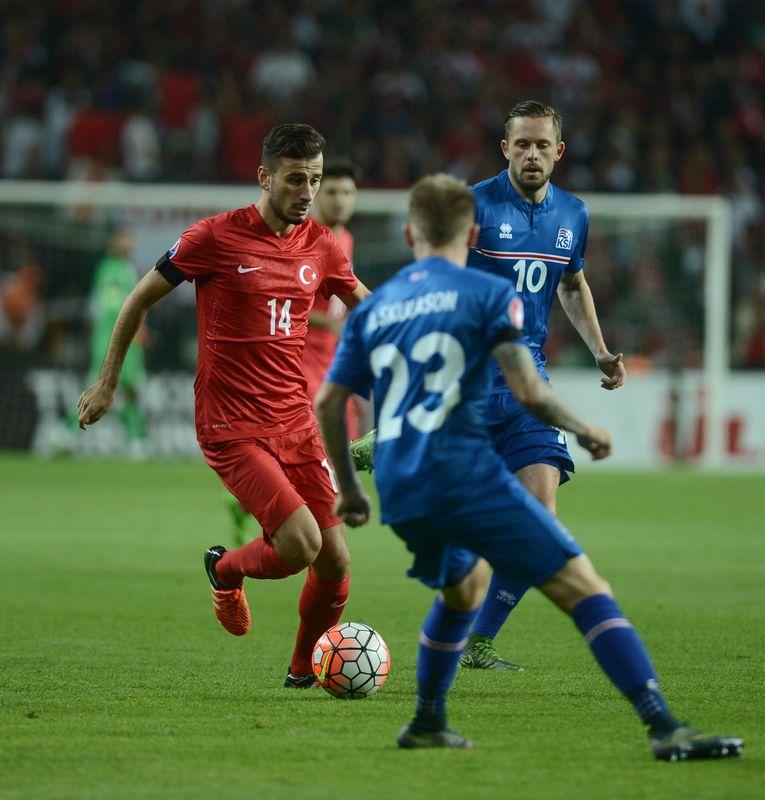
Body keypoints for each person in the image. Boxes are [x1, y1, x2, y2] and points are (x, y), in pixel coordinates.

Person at [315, 173, 742, 759]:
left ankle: (427, 722)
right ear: (471, 232)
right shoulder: (487, 295)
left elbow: (329, 402)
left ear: (410, 231)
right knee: (582, 584)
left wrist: (349, 488)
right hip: (463, 472)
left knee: (464, 590)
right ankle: (665, 727)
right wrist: (587, 429)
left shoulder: (375, 306)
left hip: (403, 485)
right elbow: (531, 393)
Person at [78, 123, 370, 688]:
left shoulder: (320, 244)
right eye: (294, 180)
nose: (307, 192)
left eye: (313, 179)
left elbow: (368, 307)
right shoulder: (214, 238)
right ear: (264, 177)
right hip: (231, 426)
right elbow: (139, 297)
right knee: (302, 544)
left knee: (336, 565)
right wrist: (108, 381)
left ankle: (301, 674)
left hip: (296, 420)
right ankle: (225, 569)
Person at [458, 100, 627, 669]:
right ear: (505, 149)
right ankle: (387, 440)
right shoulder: (475, 205)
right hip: (472, 378)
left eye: (542, 145)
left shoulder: (573, 214)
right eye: (521, 144)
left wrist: (600, 350)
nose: (532, 154)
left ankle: (479, 641)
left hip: (531, 381)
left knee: (541, 515)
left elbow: (572, 287)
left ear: (560, 151)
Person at [225, 157, 367, 544]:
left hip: (333, 358)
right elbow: (288, 305)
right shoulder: (306, 238)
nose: (339, 200)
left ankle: (259, 509)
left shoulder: (344, 240)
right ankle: (294, 525)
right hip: (299, 359)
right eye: (332, 191)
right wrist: (337, 324)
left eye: (347, 192)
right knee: (325, 443)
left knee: (341, 441)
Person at [88, 227, 148, 457]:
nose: (129, 242)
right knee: (100, 386)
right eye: (125, 237)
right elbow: (112, 305)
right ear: (114, 241)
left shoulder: (128, 268)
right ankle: (65, 433)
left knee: (131, 390)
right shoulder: (109, 269)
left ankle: (136, 439)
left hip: (131, 339)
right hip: (111, 337)